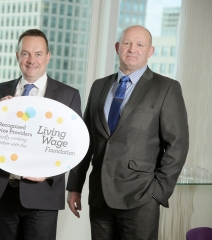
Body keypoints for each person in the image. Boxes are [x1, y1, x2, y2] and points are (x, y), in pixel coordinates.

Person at [66, 25, 189, 240]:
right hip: (99, 196)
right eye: (127, 43)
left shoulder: (166, 88)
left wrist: (157, 192)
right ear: (117, 47)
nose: (132, 49)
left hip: (140, 198)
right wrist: (75, 186)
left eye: (140, 45)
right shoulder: (99, 86)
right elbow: (84, 140)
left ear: (150, 51)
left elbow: (177, 144)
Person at [0, 29, 82, 240]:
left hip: (42, 194)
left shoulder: (68, 95)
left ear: (48, 57)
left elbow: (74, 146)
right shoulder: (0, 90)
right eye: (25, 53)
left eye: (38, 54)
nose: (31, 60)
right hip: (5, 191)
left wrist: (50, 172)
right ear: (17, 56)